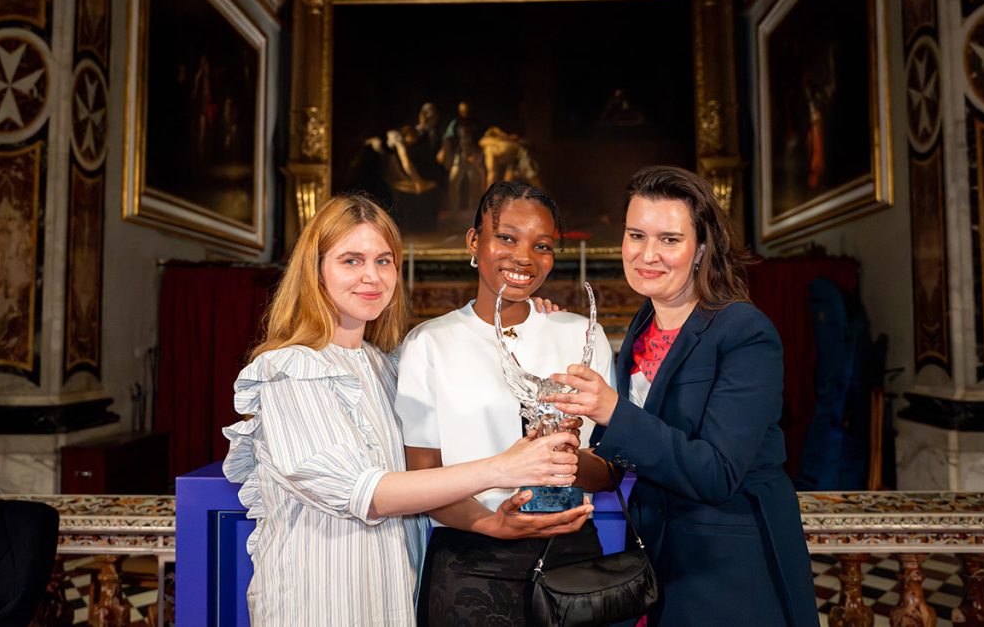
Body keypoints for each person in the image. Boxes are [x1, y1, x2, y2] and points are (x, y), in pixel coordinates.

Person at [221, 194, 582, 626]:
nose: (371, 276)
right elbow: (367, 494)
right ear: (315, 271)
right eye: (351, 261)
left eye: (384, 261)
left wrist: (534, 317)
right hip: (320, 600)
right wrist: (502, 468)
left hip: (391, 595)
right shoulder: (290, 371)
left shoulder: (384, 366)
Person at [549, 166, 819, 626]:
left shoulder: (744, 331)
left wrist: (614, 412)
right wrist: (562, 456)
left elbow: (718, 473)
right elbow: (637, 455)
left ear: (702, 249)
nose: (647, 254)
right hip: (657, 558)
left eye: (669, 240)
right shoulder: (642, 327)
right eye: (636, 235)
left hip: (730, 571)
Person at [395, 181, 615, 626]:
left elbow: (609, 472)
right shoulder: (429, 344)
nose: (524, 257)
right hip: (471, 560)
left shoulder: (579, 334)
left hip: (570, 556)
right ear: (474, 241)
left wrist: (563, 455)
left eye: (542, 245)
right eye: (507, 238)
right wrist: (490, 522)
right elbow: (422, 477)